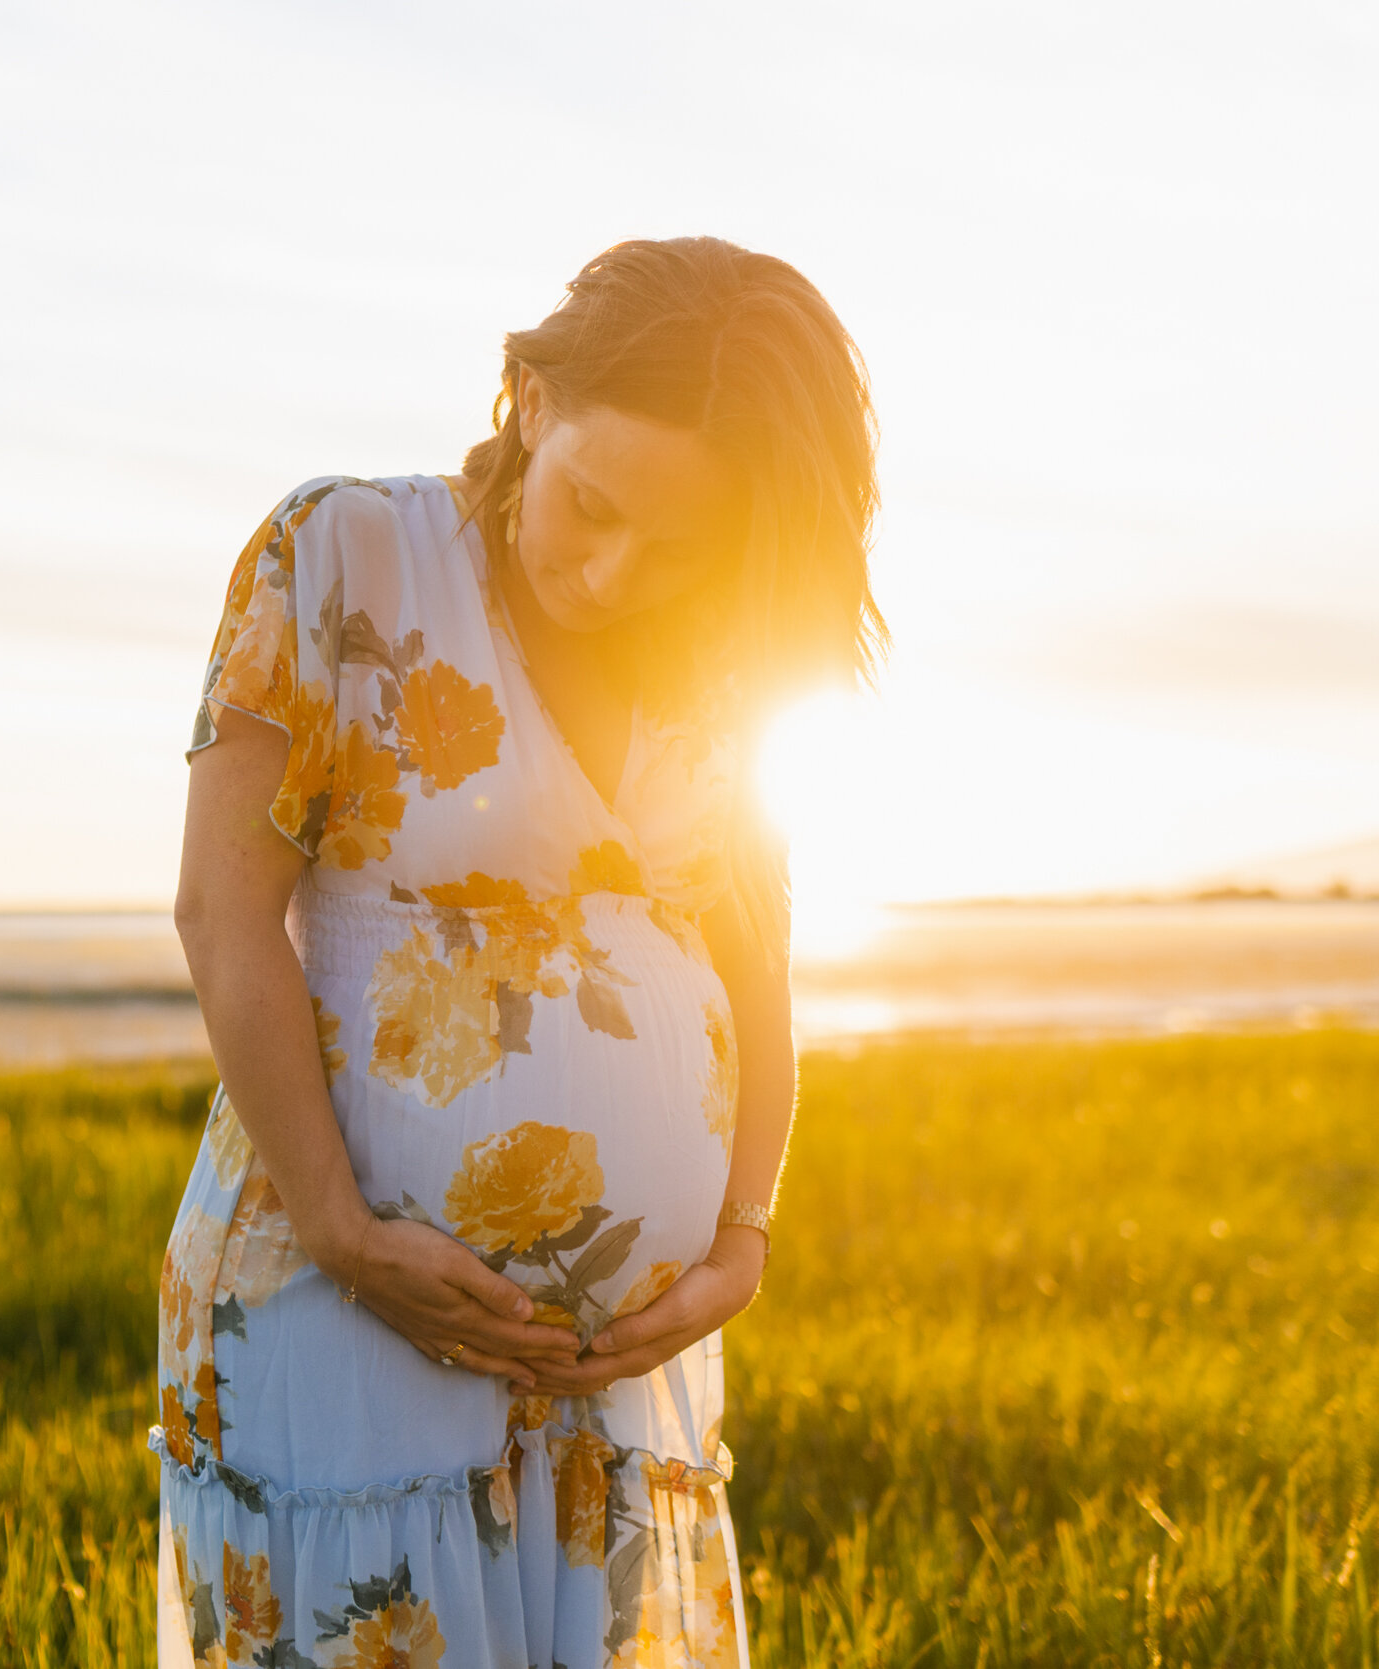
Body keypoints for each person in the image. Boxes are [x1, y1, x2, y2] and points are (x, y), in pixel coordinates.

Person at [155, 236, 881, 1669]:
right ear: (527, 400)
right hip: (338, 1317)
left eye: (682, 546)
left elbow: (754, 957)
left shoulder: (719, 661)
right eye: (595, 506)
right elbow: (221, 916)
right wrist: (352, 1234)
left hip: (617, 1393)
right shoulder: (342, 557)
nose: (618, 573)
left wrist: (742, 1234)